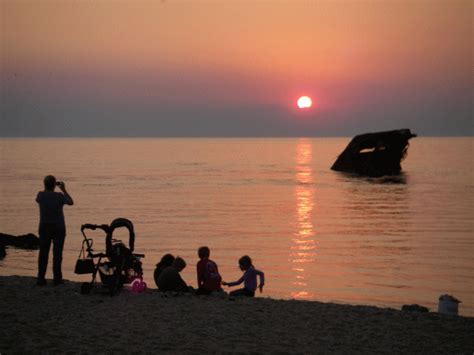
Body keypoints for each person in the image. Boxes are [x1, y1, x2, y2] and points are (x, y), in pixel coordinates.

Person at [36, 175, 74, 286]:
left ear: (44, 184)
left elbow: (39, 199)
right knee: (57, 254)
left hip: (44, 227)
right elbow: (71, 202)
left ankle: (41, 278)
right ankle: (57, 279)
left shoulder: (41, 195)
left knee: (43, 253)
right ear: (54, 185)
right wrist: (63, 189)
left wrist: (48, 188)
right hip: (58, 227)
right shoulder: (59, 196)